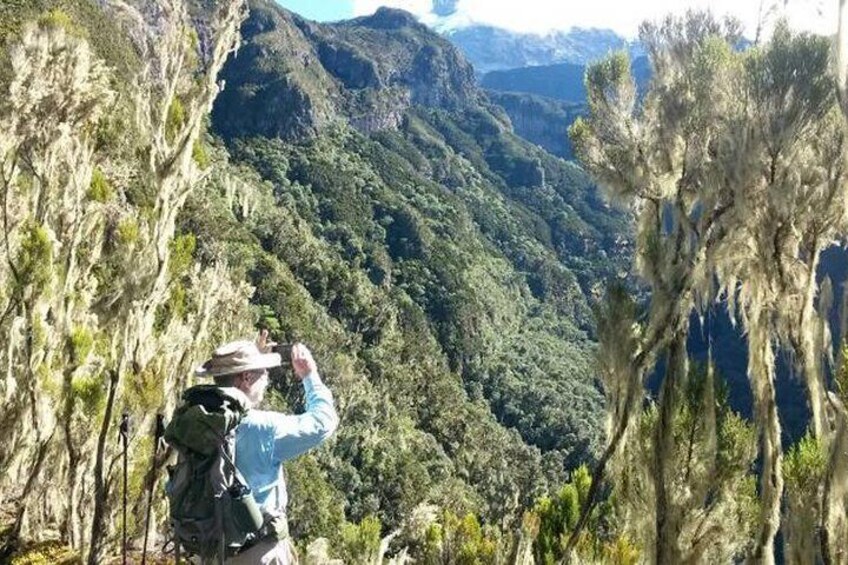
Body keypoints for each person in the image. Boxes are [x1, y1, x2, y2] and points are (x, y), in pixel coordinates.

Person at [194, 332, 339, 564]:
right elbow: (323, 423)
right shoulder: (264, 428)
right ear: (246, 378)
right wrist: (310, 375)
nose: (268, 379)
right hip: (254, 553)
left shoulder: (197, 418)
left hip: (207, 548)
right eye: (263, 373)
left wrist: (256, 358)